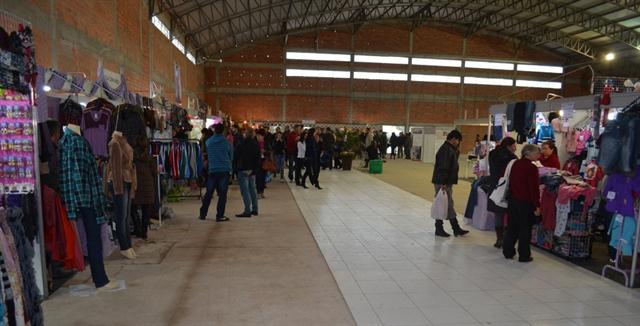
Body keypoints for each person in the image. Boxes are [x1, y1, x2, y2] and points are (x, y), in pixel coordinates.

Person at [503, 144, 541, 263]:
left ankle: (508, 251)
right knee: (525, 229)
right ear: (528, 153)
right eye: (536, 152)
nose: (538, 155)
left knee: (512, 226)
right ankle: (524, 255)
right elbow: (533, 189)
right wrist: (537, 205)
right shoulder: (532, 168)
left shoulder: (516, 164)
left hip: (513, 200)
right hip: (525, 202)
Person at [432, 130, 469, 237]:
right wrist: (443, 182)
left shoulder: (449, 149)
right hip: (443, 182)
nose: (458, 142)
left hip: (445, 181)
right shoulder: (446, 150)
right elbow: (443, 167)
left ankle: (450, 228)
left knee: (445, 204)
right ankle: (452, 228)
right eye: (458, 140)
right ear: (453, 139)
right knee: (445, 204)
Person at [488, 137, 517, 248]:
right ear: (509, 146)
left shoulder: (492, 154)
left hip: (495, 186)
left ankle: (499, 238)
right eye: (514, 146)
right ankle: (506, 239)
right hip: (507, 188)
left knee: (498, 214)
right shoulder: (511, 158)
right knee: (509, 214)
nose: (515, 148)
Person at [199, 123, 233, 222]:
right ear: (223, 131)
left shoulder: (208, 142)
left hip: (213, 169)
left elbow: (207, 153)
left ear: (214, 131)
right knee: (222, 194)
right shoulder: (226, 143)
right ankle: (220, 215)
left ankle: (203, 213)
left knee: (209, 192)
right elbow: (231, 156)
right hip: (224, 170)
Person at [132, 136, 157, 241]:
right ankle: (144, 232)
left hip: (136, 187)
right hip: (148, 187)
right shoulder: (150, 157)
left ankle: (137, 229)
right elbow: (154, 173)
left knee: (132, 209)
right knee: (146, 211)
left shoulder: (132, 158)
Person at [235, 128, 260, 217]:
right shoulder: (256, 143)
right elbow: (258, 158)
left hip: (243, 169)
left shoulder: (241, 143)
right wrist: (254, 170)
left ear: (246, 134)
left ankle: (247, 210)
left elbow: (236, 156)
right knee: (252, 189)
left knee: (245, 190)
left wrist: (235, 168)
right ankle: (255, 209)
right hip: (252, 170)